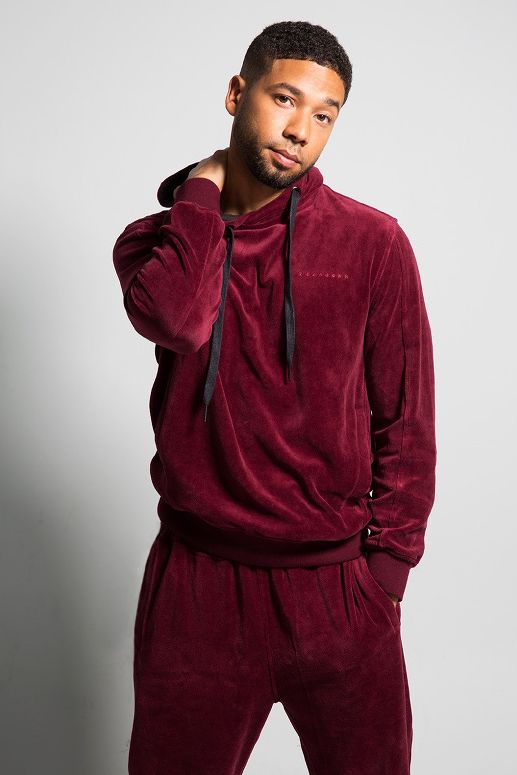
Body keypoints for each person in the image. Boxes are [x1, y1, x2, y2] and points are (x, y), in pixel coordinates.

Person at [112, 19, 436, 775]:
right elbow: (179, 320)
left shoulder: (373, 243)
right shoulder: (155, 245)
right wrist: (202, 189)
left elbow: (407, 418)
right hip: (198, 588)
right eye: (284, 99)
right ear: (237, 93)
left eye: (324, 115)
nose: (300, 130)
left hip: (338, 589)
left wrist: (387, 573)